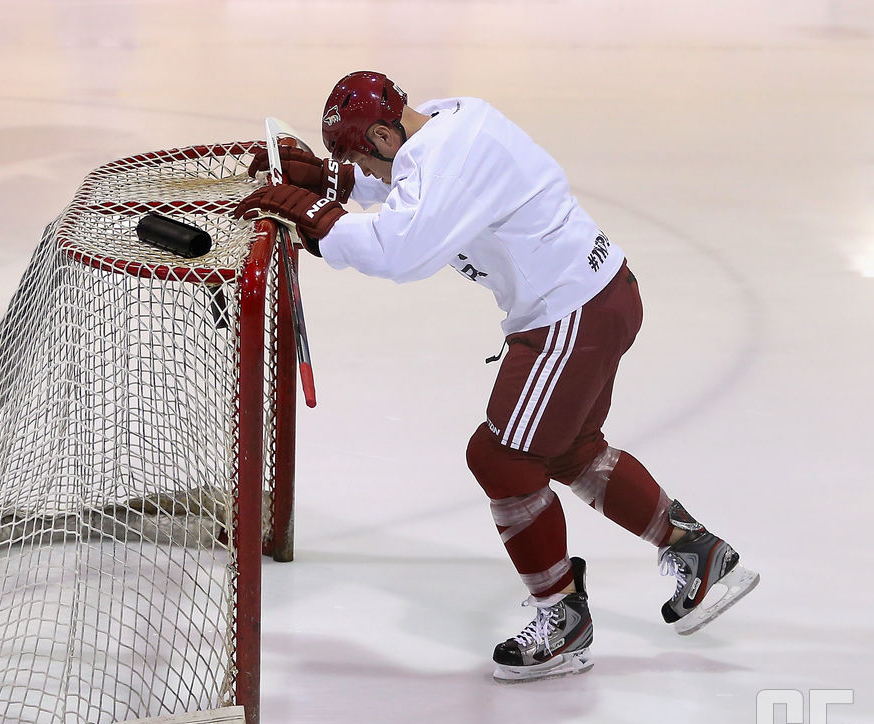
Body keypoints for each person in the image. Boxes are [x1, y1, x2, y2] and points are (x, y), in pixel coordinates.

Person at [235, 71, 759, 683]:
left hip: (570, 314)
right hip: (598, 294)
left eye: (359, 157)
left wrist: (320, 216)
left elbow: (399, 251)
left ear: (382, 132)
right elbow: (413, 192)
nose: (368, 172)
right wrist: (339, 180)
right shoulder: (445, 123)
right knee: (567, 450)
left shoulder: (446, 158)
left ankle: (562, 614)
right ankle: (697, 551)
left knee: (502, 457)